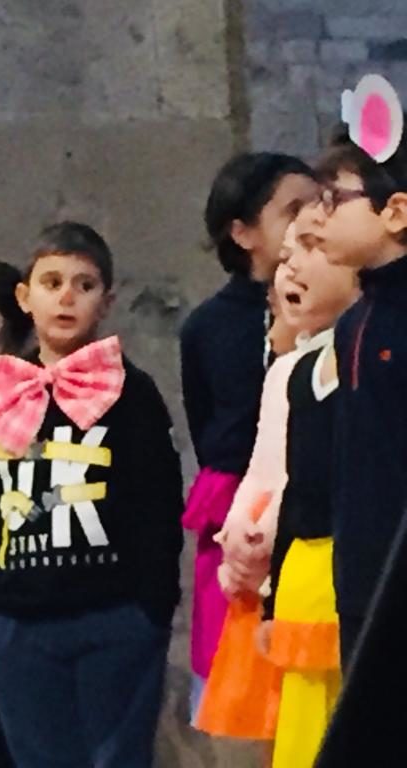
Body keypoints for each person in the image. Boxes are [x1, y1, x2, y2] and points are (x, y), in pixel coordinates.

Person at [0, 222, 183, 767]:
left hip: (113, 615)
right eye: (52, 282)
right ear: (24, 297)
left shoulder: (131, 392)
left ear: (106, 302)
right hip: (17, 620)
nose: (66, 297)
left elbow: (158, 501)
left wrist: (150, 609)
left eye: (84, 285)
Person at [180, 153, 317, 711]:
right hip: (239, 504)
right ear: (243, 233)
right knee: (241, 689)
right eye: (294, 208)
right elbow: (209, 428)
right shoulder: (207, 326)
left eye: (321, 204)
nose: (312, 218)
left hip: (307, 497)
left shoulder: (330, 305)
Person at [251, 200, 359, 768]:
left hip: (357, 572)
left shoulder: (376, 356)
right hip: (304, 579)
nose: (291, 266)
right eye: (288, 253)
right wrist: (271, 600)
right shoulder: (299, 372)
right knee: (303, 739)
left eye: (314, 246)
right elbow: (295, 489)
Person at [308, 126, 407, 668]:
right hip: (362, 576)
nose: (315, 217)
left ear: (396, 212)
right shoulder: (354, 322)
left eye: (333, 199)